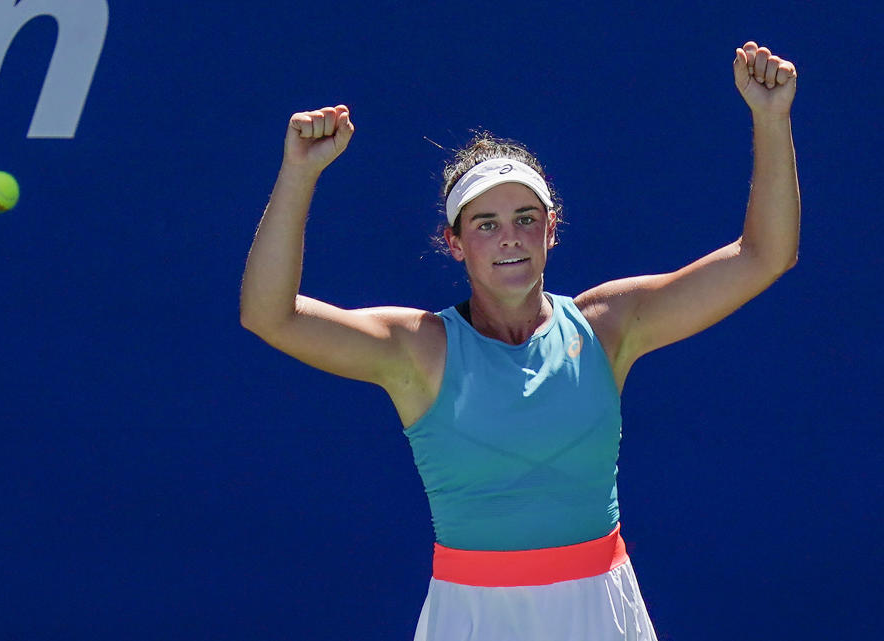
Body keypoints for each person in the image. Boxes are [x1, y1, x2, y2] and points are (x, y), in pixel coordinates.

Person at [239, 41, 799, 641]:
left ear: (551, 231)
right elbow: (270, 315)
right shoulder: (417, 349)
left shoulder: (608, 325)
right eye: (486, 224)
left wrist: (771, 119)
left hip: (600, 612)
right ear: (454, 243)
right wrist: (299, 173)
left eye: (526, 219)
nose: (510, 238)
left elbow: (765, 255)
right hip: (474, 617)